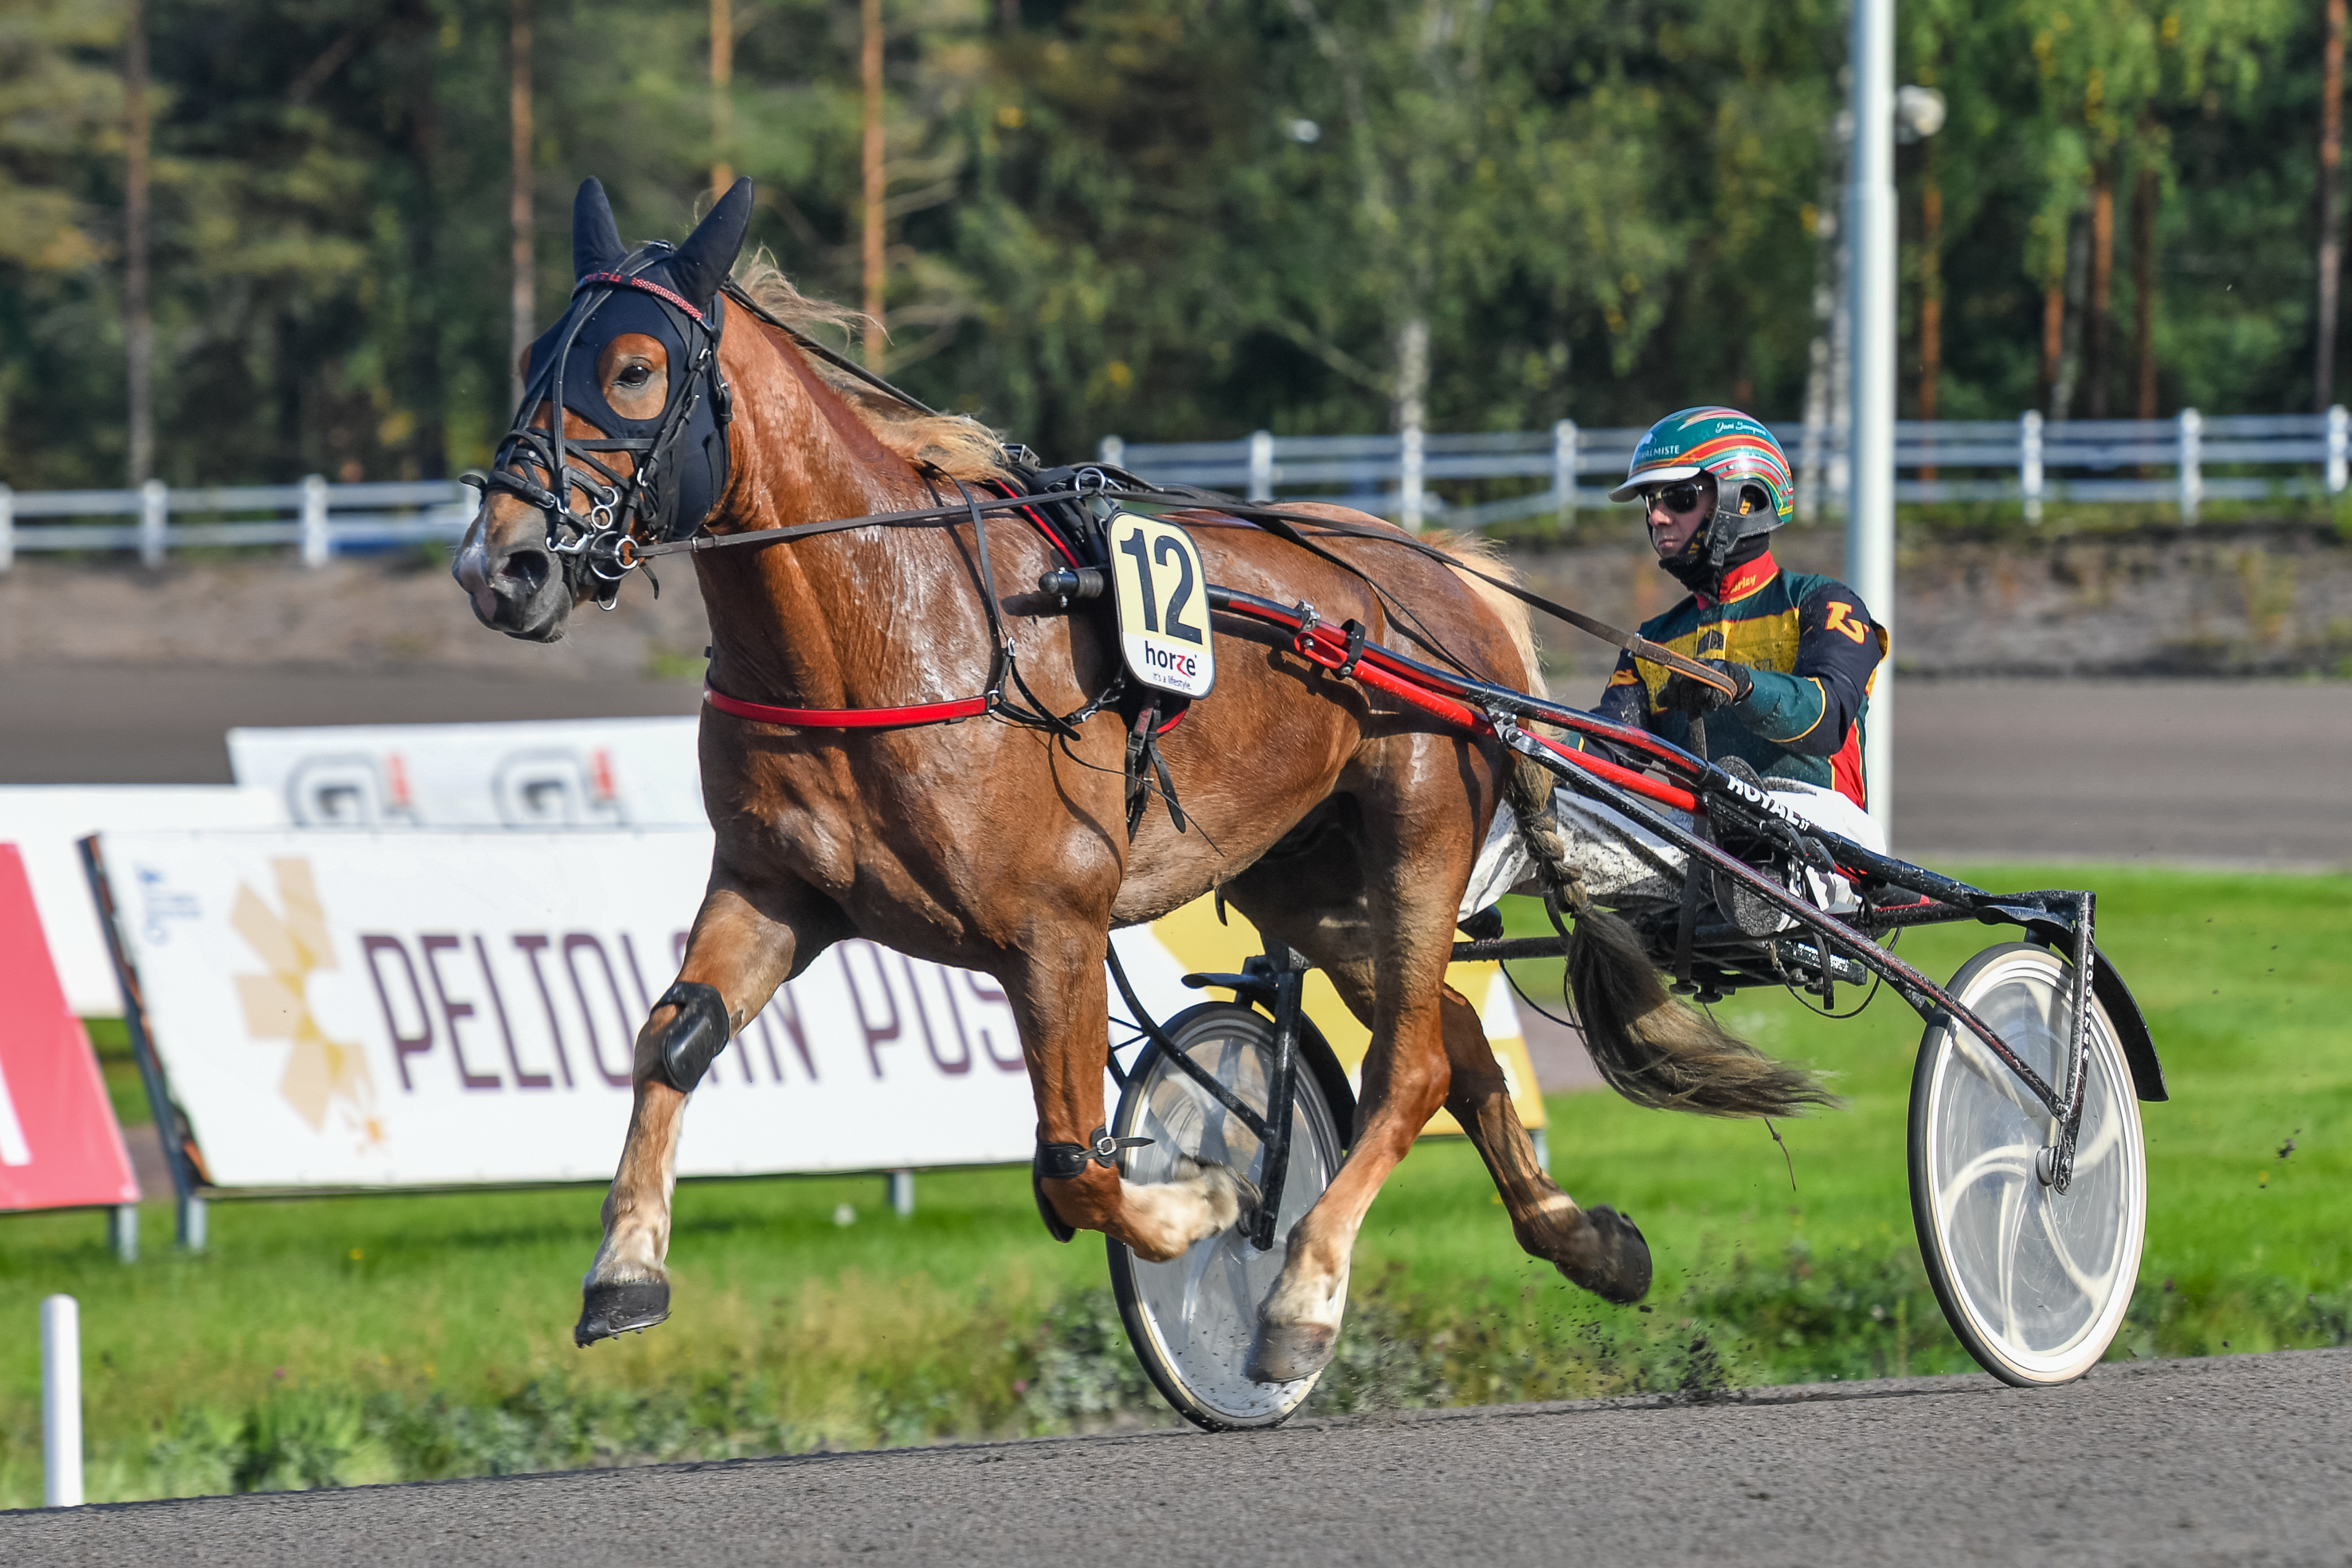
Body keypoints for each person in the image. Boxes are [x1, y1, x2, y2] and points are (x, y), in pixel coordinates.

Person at [1596, 406, 1888, 815]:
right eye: (1650, 500)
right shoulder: (1652, 641)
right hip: (1701, 844)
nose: (1657, 517)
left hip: (1824, 843)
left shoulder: (1823, 603)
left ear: (1747, 498)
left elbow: (1829, 719)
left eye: (1679, 498)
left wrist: (1741, 686)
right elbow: (1602, 753)